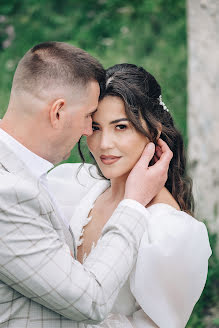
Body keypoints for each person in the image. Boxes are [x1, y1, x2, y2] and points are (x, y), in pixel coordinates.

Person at [0, 43, 173, 327]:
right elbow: (89, 300)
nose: (87, 133)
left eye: (120, 126)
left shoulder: (29, 173)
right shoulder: (8, 193)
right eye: (89, 120)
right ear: (57, 112)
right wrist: (132, 204)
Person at [48, 63, 212, 328]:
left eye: (121, 127)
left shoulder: (169, 232)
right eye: (96, 127)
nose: (103, 145)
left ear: (153, 130)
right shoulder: (73, 186)